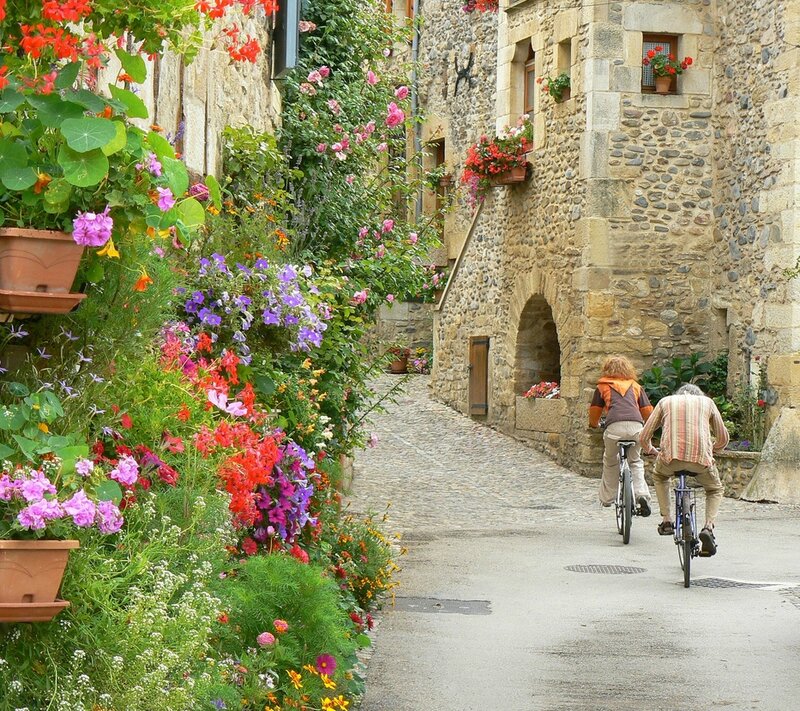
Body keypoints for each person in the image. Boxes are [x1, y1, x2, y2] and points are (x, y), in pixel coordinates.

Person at [638, 383, 729, 556]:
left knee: (659, 477)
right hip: (700, 460)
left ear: (678, 394)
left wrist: (650, 449)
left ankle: (667, 520)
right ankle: (708, 527)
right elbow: (723, 438)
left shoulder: (666, 402)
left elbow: (644, 436)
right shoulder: (707, 403)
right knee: (715, 489)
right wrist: (713, 449)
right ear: (698, 395)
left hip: (670, 459)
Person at [588, 356, 654, 516]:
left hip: (614, 427)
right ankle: (642, 495)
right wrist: (649, 427)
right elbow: (647, 411)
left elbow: (595, 410)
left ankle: (608, 498)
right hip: (636, 427)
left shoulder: (602, 387)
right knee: (635, 461)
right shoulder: (636, 386)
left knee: (610, 461)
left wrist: (594, 424)